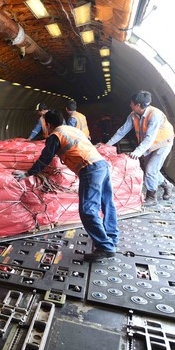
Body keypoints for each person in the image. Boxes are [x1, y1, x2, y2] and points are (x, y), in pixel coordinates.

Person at [15, 109, 119, 261]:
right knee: (107, 204)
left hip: (89, 169)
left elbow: (45, 158)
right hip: (102, 164)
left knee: (87, 211)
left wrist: (27, 173)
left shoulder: (55, 135)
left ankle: (105, 247)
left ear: (48, 125)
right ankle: (111, 238)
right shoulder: (72, 130)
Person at [105, 90, 174, 204]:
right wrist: (107, 145)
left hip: (162, 144)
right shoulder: (133, 115)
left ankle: (151, 197)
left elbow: (150, 137)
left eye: (131, 103)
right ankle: (167, 185)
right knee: (152, 170)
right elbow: (122, 131)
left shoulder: (155, 115)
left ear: (137, 105)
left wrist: (137, 152)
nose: (129, 105)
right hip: (149, 145)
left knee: (151, 170)